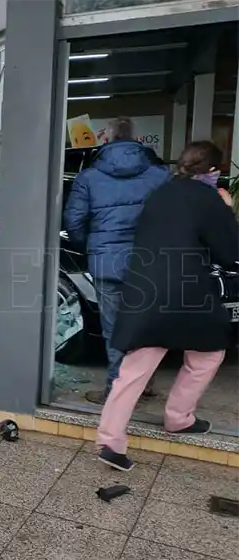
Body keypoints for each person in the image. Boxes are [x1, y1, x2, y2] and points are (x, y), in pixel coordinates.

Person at [96, 141, 239, 471]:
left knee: (134, 369)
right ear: (214, 171)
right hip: (187, 291)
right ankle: (178, 417)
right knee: (208, 353)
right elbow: (229, 252)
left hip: (145, 288)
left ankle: (110, 441)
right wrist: (227, 210)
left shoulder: (160, 193)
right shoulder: (210, 199)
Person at [64, 117, 172, 405]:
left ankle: (116, 389)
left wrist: (90, 246)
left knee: (113, 330)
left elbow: (73, 220)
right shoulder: (160, 175)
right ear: (136, 140)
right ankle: (144, 383)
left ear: (106, 139)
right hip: (147, 263)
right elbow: (173, 217)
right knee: (144, 325)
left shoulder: (89, 177)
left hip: (107, 262)